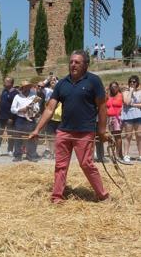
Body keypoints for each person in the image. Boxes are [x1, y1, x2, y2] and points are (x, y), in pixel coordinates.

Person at [29, 51, 109, 203]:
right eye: (71, 62)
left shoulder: (94, 81)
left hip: (85, 132)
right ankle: (57, 196)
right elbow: (50, 109)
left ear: (86, 65)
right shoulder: (62, 83)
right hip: (64, 131)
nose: (73, 65)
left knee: (86, 164)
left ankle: (102, 195)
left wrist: (102, 131)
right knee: (60, 165)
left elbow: (102, 107)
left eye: (77, 62)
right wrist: (37, 129)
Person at [10, 80, 41, 162]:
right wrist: (21, 110)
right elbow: (12, 109)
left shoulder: (34, 96)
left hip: (31, 118)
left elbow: (38, 107)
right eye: (26, 87)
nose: (28, 88)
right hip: (20, 119)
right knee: (18, 137)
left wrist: (34, 110)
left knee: (31, 137)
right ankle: (17, 155)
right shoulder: (17, 96)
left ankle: (31, 155)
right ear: (22, 88)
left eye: (28, 86)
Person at [0, 77, 18, 157]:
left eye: (6, 81)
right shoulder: (4, 91)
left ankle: (10, 150)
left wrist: (11, 117)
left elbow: (15, 106)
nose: (4, 82)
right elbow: (1, 103)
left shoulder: (15, 93)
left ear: (11, 83)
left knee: (11, 134)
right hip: (1, 117)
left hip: (9, 118)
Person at [122, 75, 141, 161]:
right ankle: (126, 154)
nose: (132, 83)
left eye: (134, 82)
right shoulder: (125, 92)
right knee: (128, 135)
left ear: (137, 83)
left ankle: (140, 154)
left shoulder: (140, 92)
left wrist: (133, 105)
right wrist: (130, 91)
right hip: (128, 116)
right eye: (131, 82)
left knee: (139, 135)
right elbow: (126, 102)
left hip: (138, 115)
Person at [105, 82, 125, 163]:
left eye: (115, 86)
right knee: (110, 137)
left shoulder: (121, 95)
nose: (113, 88)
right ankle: (114, 154)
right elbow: (105, 105)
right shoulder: (108, 96)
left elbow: (124, 104)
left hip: (117, 118)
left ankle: (118, 155)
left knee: (117, 136)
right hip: (109, 118)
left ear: (118, 87)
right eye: (112, 87)